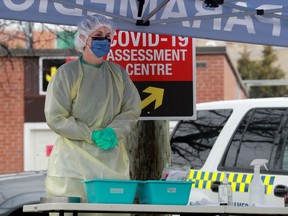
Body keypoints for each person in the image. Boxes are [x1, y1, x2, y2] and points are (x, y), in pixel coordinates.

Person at [44, 14, 141, 213]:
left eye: (107, 36)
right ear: (83, 38)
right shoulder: (67, 74)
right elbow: (56, 117)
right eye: (98, 35)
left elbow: (131, 109)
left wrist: (114, 131)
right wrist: (90, 134)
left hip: (110, 160)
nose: (104, 40)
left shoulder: (118, 74)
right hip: (71, 164)